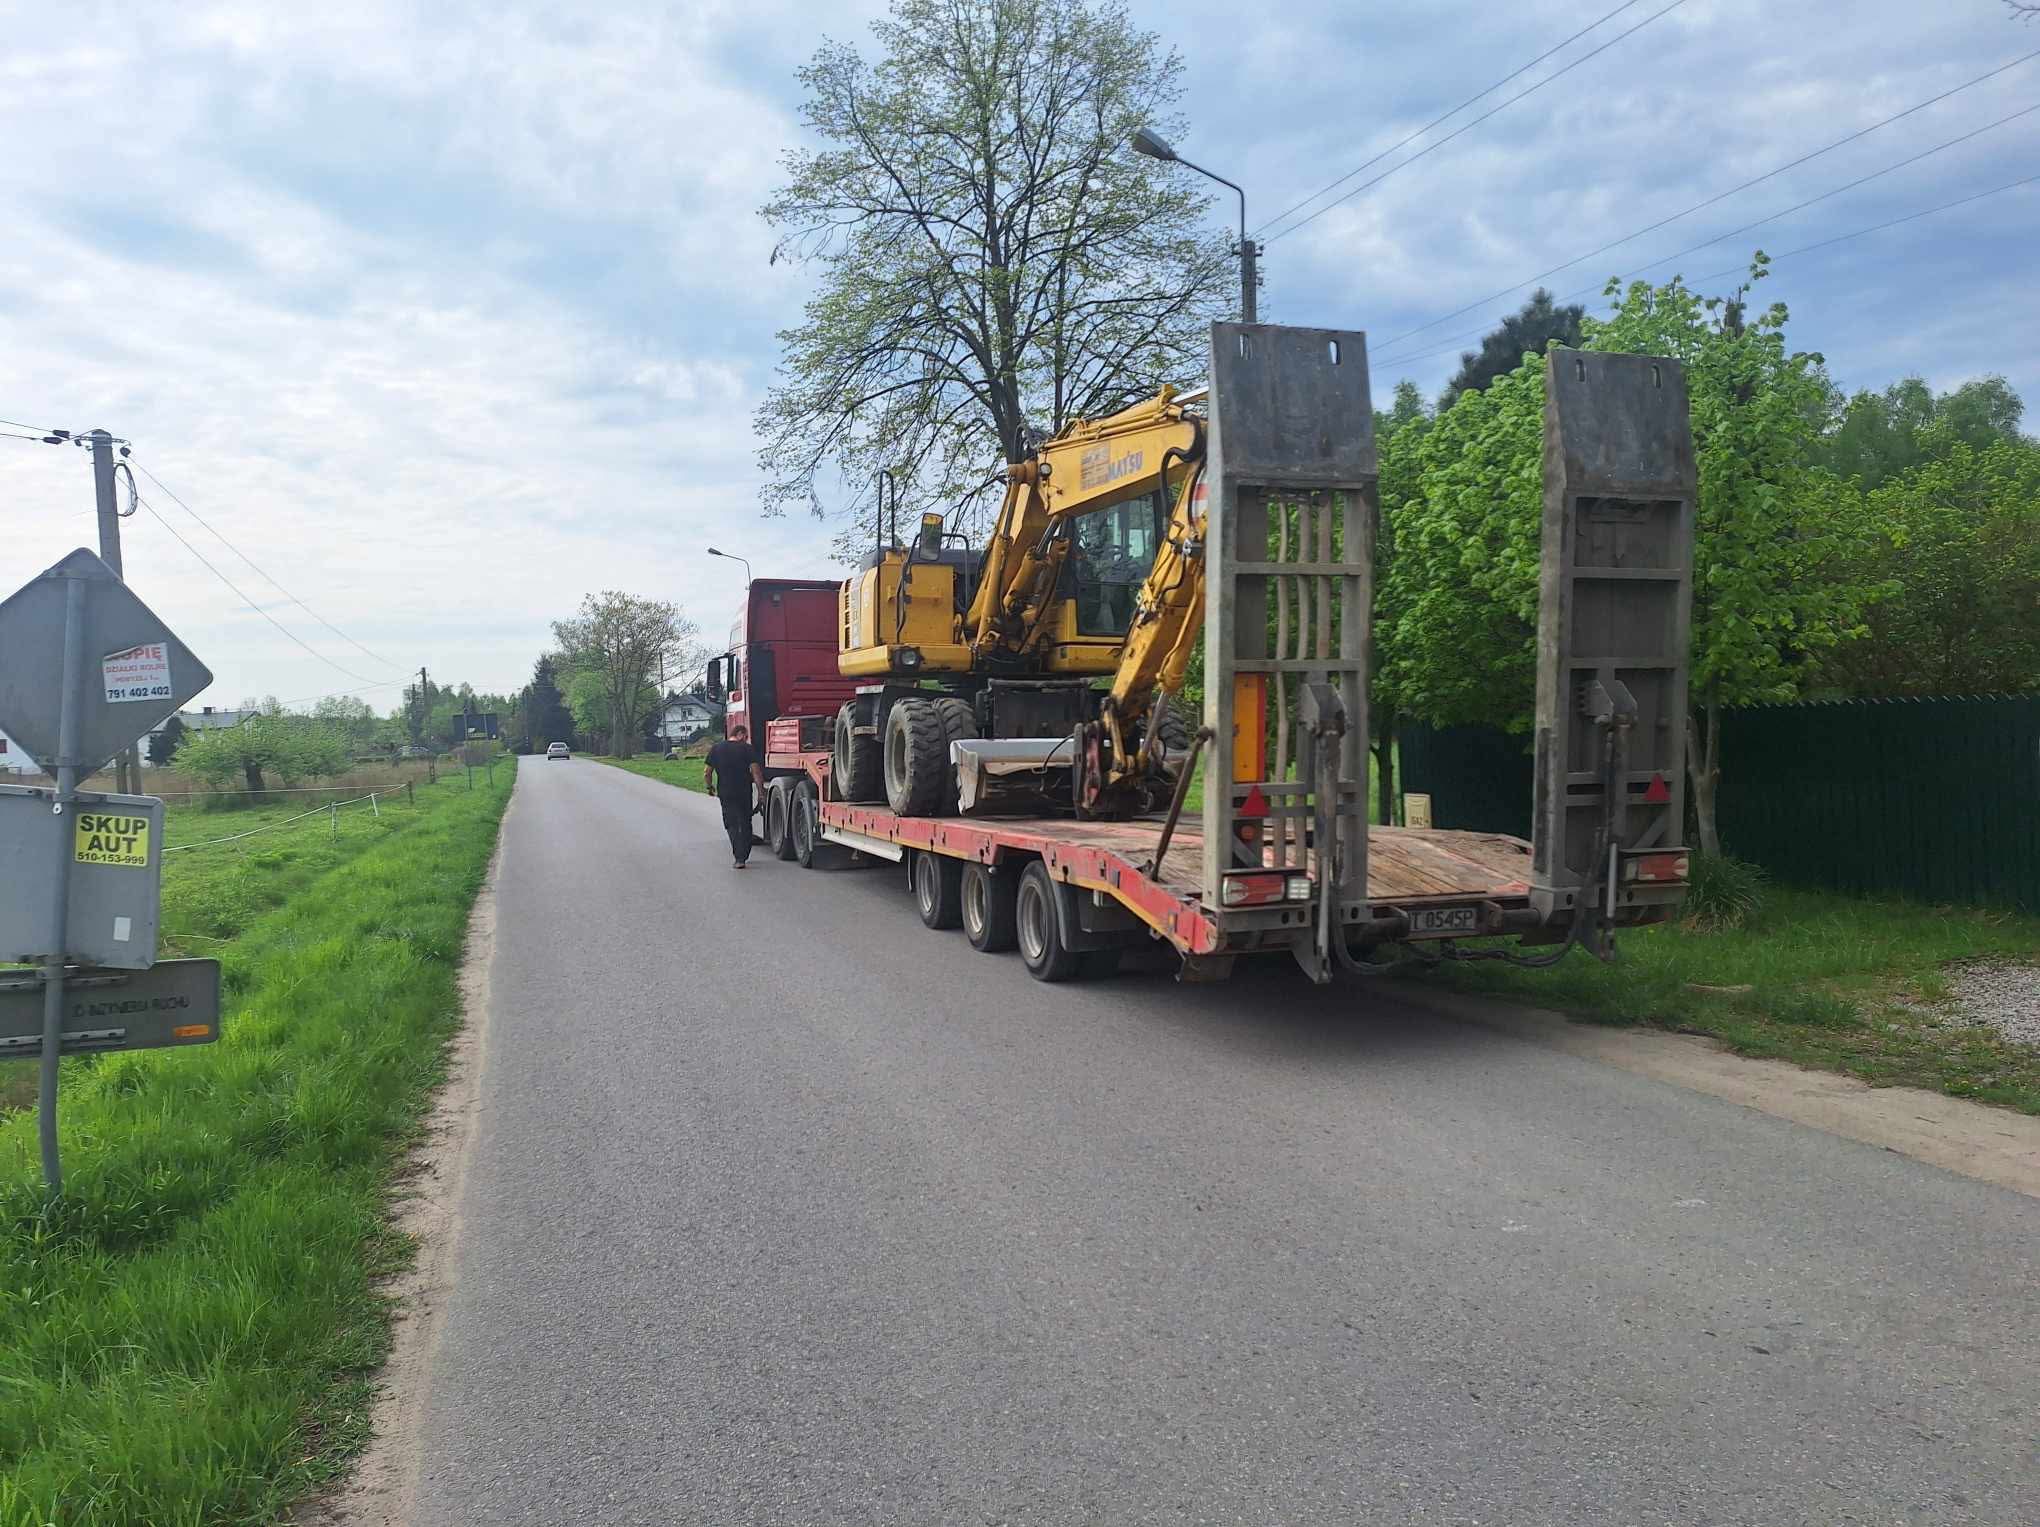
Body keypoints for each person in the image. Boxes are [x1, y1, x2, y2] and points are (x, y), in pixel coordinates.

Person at [702, 726, 765, 868]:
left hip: (725, 792)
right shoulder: (746, 748)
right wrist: (761, 792)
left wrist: (709, 787)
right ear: (740, 734)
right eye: (746, 736)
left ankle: (739, 857)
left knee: (731, 824)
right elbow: (756, 772)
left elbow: (707, 772)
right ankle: (745, 853)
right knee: (745, 821)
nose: (746, 739)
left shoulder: (716, 749)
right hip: (744, 792)